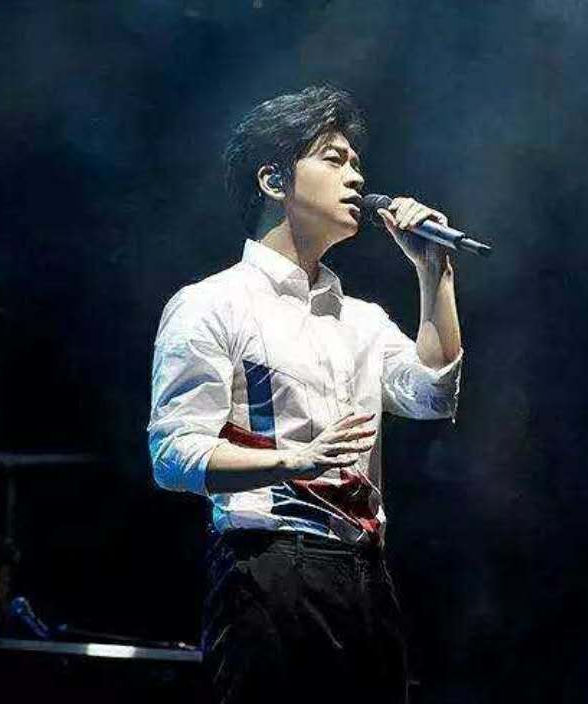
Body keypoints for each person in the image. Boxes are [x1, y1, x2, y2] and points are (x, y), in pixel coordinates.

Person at [146, 84, 462, 703]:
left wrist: (434, 272)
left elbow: (433, 396)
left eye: (357, 162)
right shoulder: (211, 304)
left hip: (366, 574)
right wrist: (294, 460)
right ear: (273, 180)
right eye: (334, 159)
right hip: (267, 568)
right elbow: (173, 455)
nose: (357, 177)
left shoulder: (362, 319)